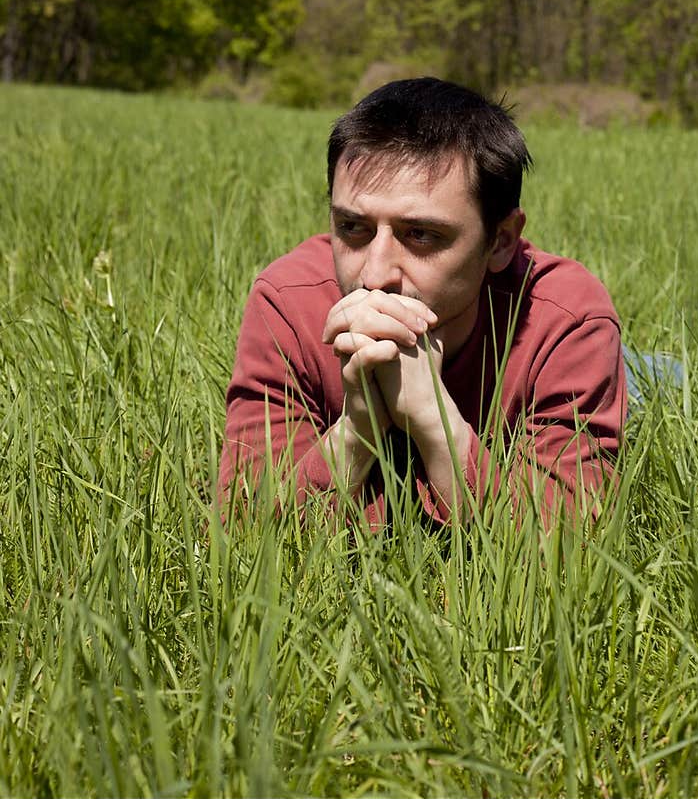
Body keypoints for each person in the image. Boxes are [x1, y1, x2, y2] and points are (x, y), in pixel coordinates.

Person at [218, 76, 628, 531]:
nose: (374, 274)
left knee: (655, 379)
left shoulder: (567, 320)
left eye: (422, 235)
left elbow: (572, 545)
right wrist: (357, 430)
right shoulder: (288, 305)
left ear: (501, 240)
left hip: (583, 359)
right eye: (353, 228)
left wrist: (436, 423)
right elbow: (241, 531)